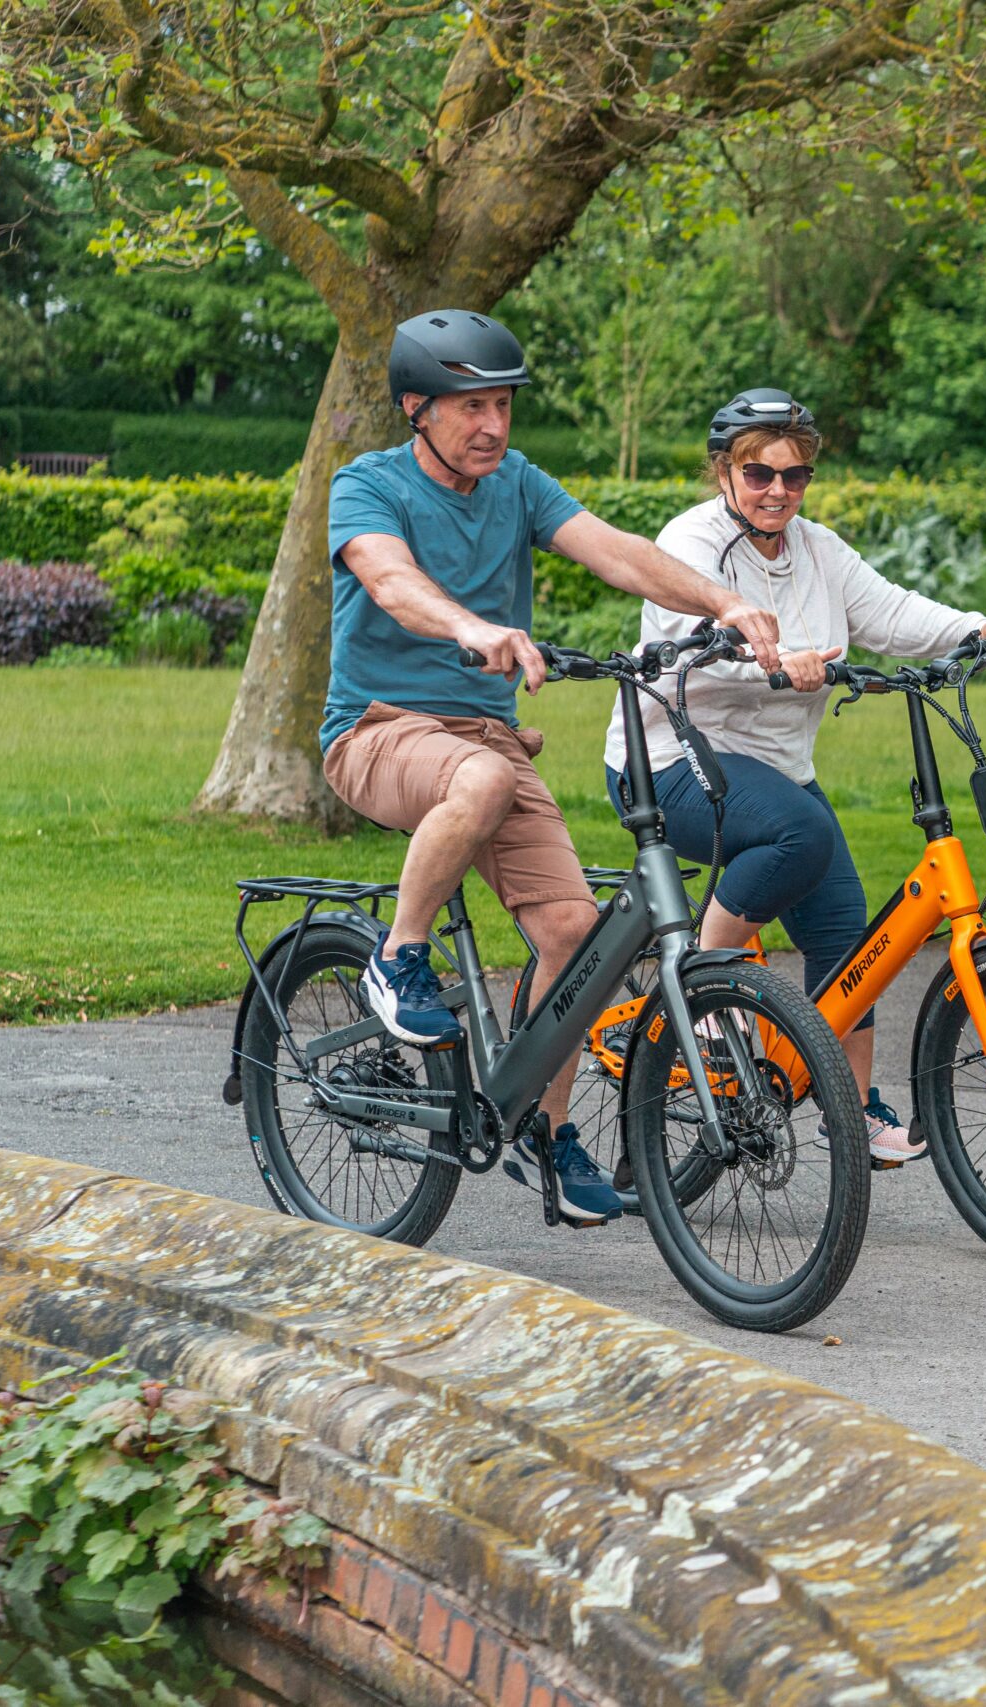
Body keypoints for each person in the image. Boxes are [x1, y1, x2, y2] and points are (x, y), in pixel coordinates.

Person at [322, 310, 784, 1226]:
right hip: (378, 729)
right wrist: (472, 627)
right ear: (416, 408)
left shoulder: (518, 483)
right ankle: (398, 955)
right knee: (484, 781)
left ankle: (546, 1126)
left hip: (485, 740)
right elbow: (390, 581)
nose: (493, 425)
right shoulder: (366, 484)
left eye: (502, 405)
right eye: (471, 407)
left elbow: (617, 551)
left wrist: (723, 601)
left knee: (578, 934)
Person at [604, 388, 986, 1165]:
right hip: (671, 759)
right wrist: (769, 661)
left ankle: (853, 1111)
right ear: (725, 472)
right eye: (759, 473)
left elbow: (891, 613)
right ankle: (701, 985)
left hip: (773, 769)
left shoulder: (818, 550)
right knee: (801, 832)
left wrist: (978, 628)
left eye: (794, 475)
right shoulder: (690, 542)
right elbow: (690, 637)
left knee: (843, 926)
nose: (778, 490)